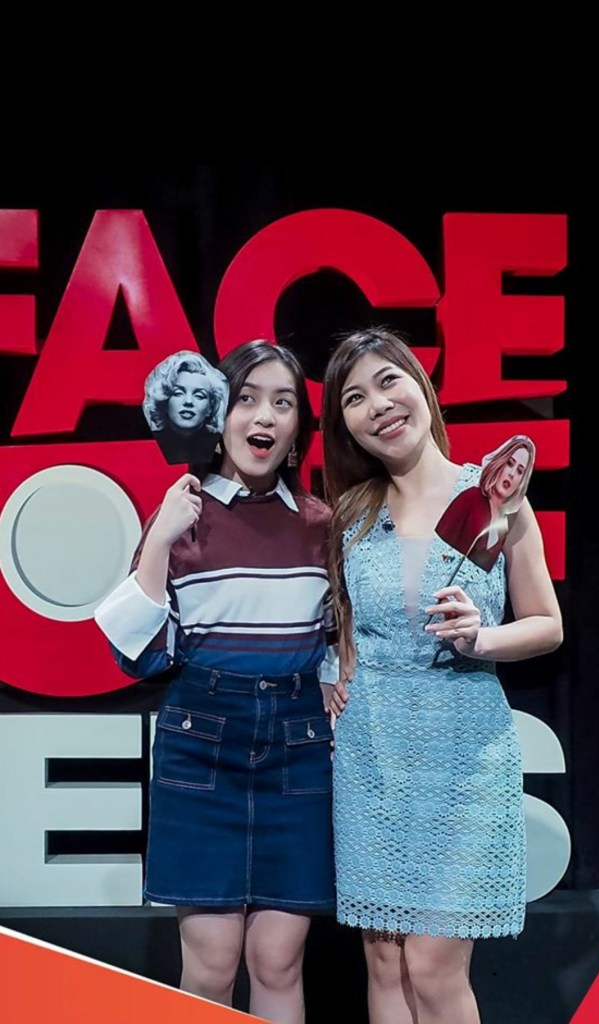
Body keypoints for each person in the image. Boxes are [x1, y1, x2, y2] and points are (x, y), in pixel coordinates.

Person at [321, 327, 563, 1024]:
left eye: (388, 381)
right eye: (355, 398)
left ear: (420, 386)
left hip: (464, 755)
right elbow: (344, 628)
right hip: (371, 757)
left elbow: (547, 624)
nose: (378, 405)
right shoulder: (351, 515)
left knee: (431, 967)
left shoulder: (493, 498)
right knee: (385, 962)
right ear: (345, 425)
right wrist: (332, 670)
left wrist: (481, 637)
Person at [95, 340, 337, 1024]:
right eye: (248, 399)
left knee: (279, 961)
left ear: (297, 427)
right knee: (210, 965)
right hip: (201, 745)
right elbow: (139, 658)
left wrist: (330, 677)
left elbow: (336, 636)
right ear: (217, 414)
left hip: (297, 750)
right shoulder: (181, 515)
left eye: (283, 402)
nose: (265, 416)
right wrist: (159, 540)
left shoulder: (321, 525)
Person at [435, 435, 536, 573]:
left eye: (520, 471)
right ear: (500, 462)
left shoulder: (503, 525)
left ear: (522, 482)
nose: (512, 474)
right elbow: (437, 552)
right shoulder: (470, 498)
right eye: (510, 463)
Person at [142, 350, 229, 464]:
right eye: (178, 393)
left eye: (199, 396)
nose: (188, 402)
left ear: (210, 407)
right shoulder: (148, 443)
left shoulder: (225, 448)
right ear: (164, 401)